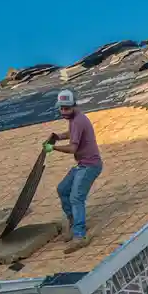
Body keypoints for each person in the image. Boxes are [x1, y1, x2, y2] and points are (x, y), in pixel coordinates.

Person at [45, 89, 102, 252]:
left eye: (66, 109)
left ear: (73, 106)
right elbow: (72, 134)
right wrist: (58, 136)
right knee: (62, 190)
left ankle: (80, 235)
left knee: (76, 198)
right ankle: (74, 220)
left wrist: (53, 148)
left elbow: (72, 148)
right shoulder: (75, 118)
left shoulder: (78, 120)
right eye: (61, 109)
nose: (63, 112)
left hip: (90, 165)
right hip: (82, 164)